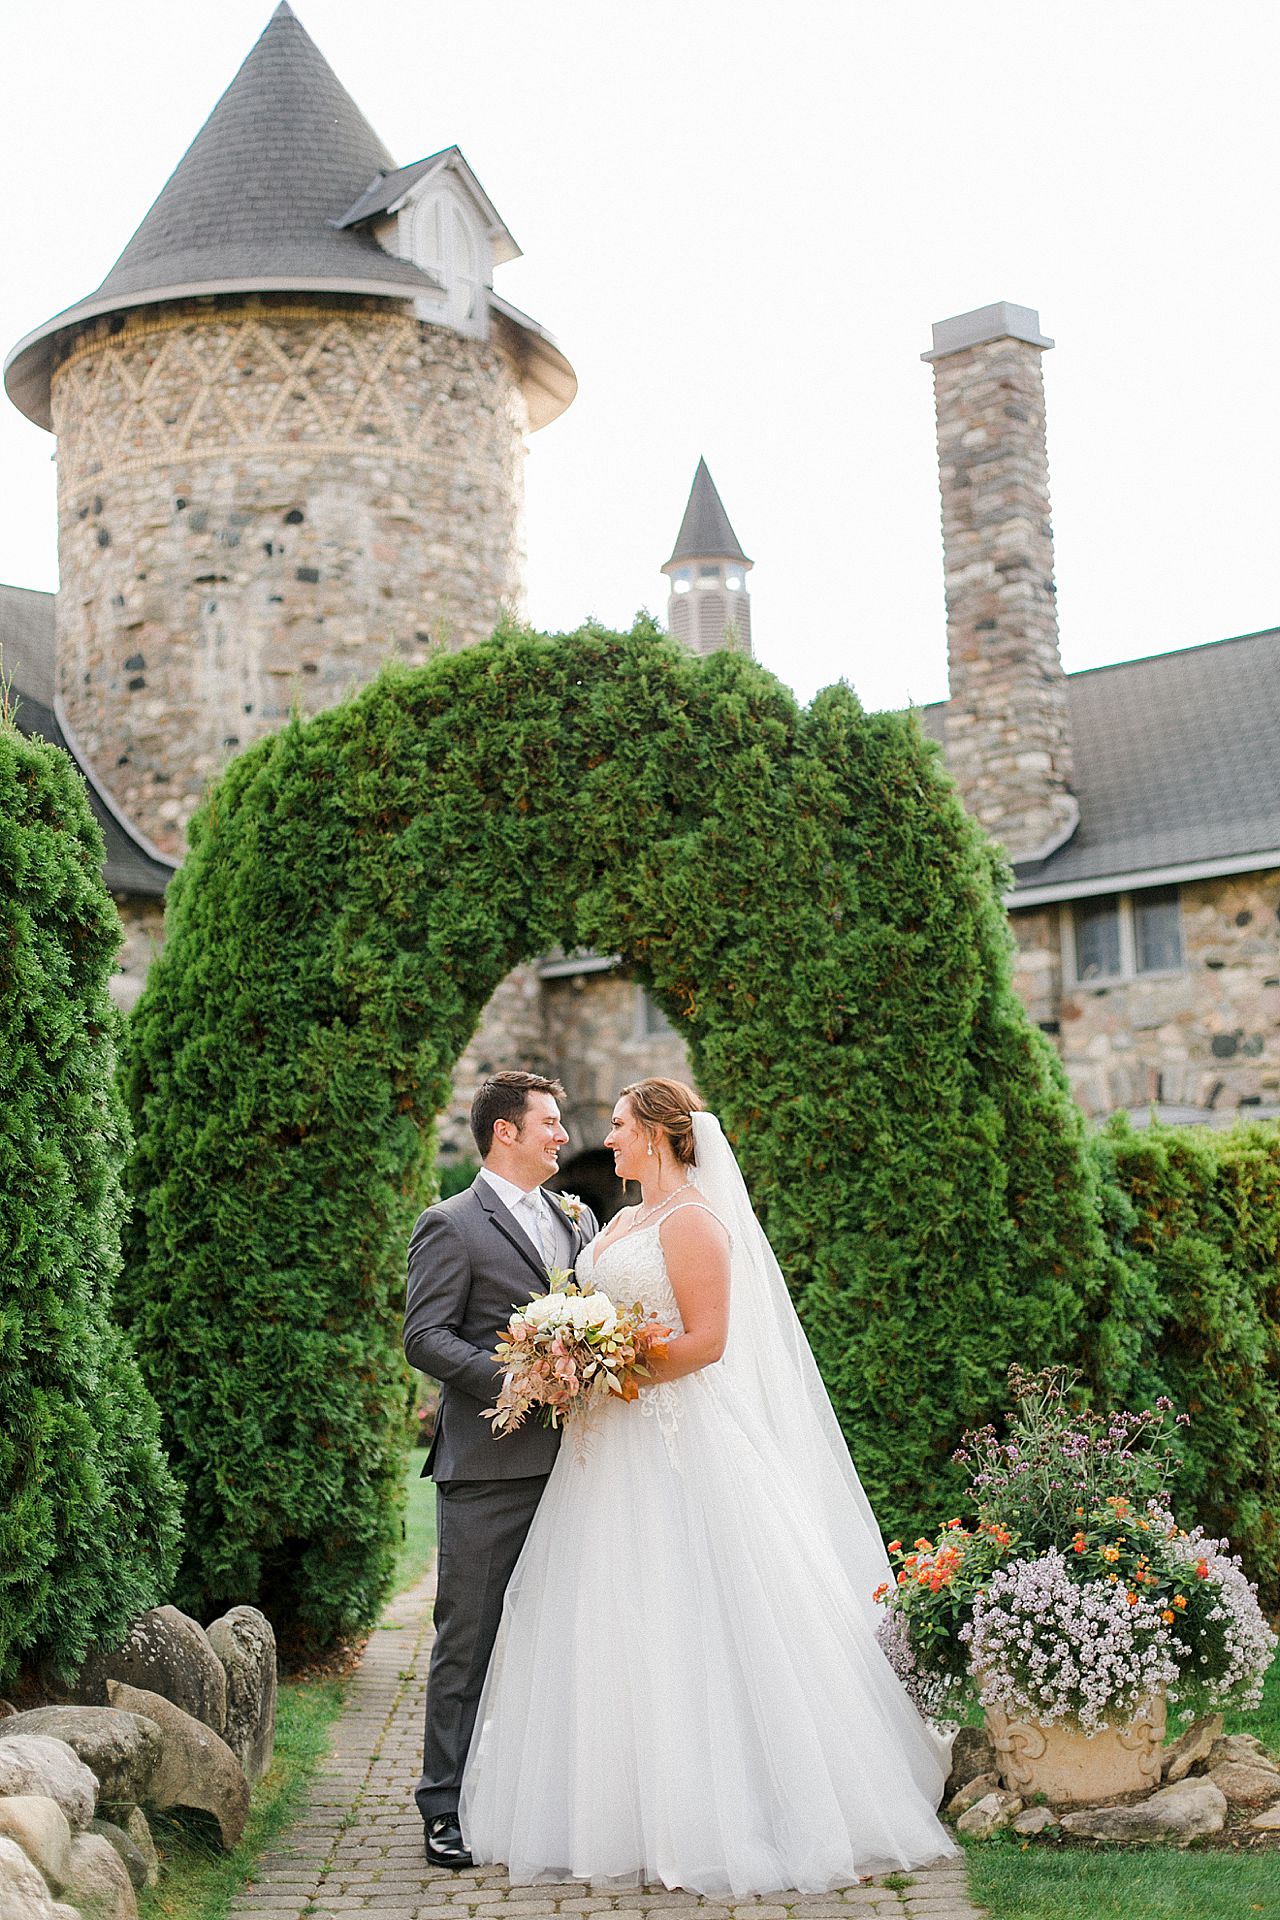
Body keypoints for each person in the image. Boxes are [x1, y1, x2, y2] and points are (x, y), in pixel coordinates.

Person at [459, 1077, 957, 1895]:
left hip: (678, 1440)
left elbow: (709, 1343)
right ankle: (616, 1810)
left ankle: (739, 1808)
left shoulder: (694, 1222)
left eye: (618, 1126)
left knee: (702, 1608)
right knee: (608, 1616)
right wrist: (569, 1357)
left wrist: (609, 1372)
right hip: (602, 1454)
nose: (606, 1138)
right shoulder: (617, 1221)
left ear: (656, 1134)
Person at [403, 1071, 600, 1869]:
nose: (562, 1134)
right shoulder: (450, 1223)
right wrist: (514, 1377)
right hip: (490, 1467)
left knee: (569, 1638)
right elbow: (425, 1336)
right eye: (549, 1122)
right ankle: (443, 1808)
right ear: (504, 1133)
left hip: (585, 1466)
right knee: (469, 1639)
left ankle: (543, 1795)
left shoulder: (576, 1218)